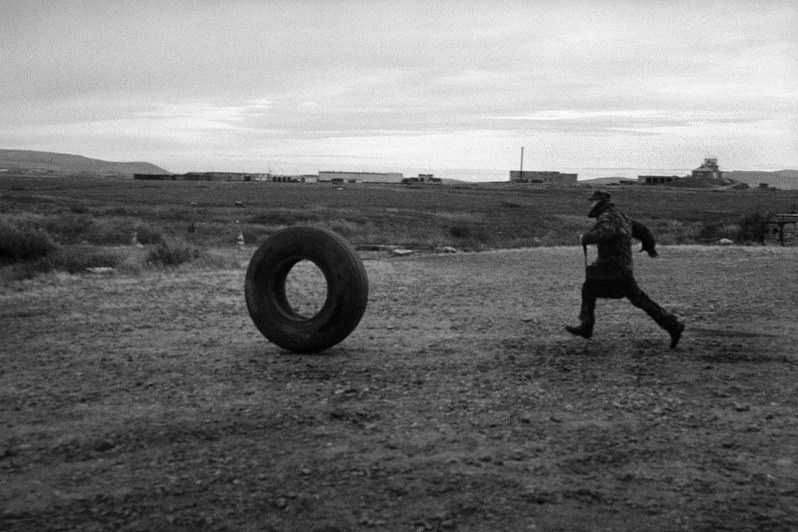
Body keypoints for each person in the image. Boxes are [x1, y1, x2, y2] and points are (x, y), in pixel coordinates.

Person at [566, 190, 685, 349]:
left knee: (590, 289)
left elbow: (606, 232)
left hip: (612, 268)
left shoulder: (608, 217)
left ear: (598, 203)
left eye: (592, 201)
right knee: (638, 299)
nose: (590, 204)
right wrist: (649, 247)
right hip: (622, 267)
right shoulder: (622, 217)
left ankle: (587, 327)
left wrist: (586, 237)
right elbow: (644, 231)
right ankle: (672, 325)